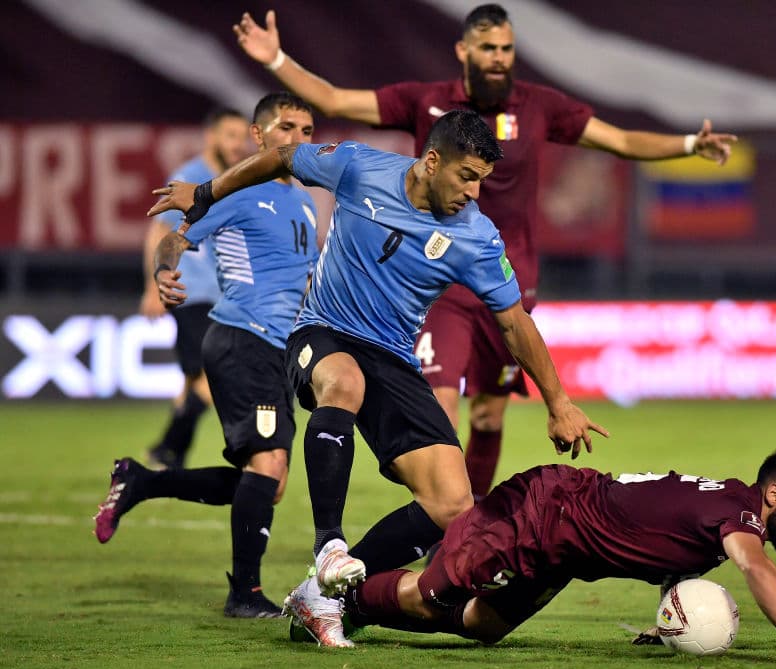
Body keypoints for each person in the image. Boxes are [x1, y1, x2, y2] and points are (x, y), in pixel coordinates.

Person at [233, 4, 737, 500]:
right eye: (489, 48)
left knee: (489, 416)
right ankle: (437, 512)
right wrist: (275, 59)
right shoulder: (428, 101)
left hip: (507, 282)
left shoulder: (540, 106)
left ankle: (464, 530)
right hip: (439, 282)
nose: (499, 57)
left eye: (507, 49)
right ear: (464, 50)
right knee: (441, 402)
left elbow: (620, 140)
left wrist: (688, 145)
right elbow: (334, 99)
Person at [146, 110, 608, 628]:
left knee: (451, 503)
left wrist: (558, 402)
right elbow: (282, 157)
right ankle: (329, 545)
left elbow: (515, 322)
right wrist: (206, 192)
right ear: (431, 162)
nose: (475, 193)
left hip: (393, 357)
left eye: (482, 180)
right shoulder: (358, 167)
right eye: (466, 177)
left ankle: (323, 595)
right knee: (345, 382)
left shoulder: (476, 237)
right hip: (322, 330)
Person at [284, 446, 776, 666]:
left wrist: (672, 618)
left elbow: (672, 547)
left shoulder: (726, 508)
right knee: (430, 595)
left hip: (564, 548)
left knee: (484, 625)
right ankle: (328, 599)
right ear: (773, 494)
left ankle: (353, 608)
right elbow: (756, 567)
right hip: (543, 513)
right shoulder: (739, 515)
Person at [94, 92, 319, 618]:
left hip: (277, 349)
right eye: (287, 128)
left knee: (269, 483)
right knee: (267, 464)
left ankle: (142, 481)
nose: (299, 139)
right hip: (241, 338)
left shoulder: (307, 203)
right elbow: (175, 238)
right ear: (259, 136)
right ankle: (245, 594)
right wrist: (162, 273)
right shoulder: (238, 190)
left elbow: (301, 280)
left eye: (308, 131)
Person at [140, 107, 250, 470]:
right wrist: (153, 285)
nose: (238, 144)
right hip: (191, 293)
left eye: (242, 137)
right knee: (217, 377)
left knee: (193, 380)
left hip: (225, 295)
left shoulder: (237, 179)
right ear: (211, 136)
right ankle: (168, 447)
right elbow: (159, 232)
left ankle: (171, 456)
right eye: (230, 135)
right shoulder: (189, 178)